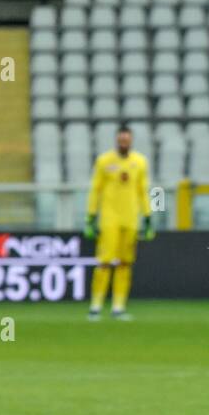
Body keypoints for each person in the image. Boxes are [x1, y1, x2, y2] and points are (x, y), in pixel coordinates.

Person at [85, 125, 154, 320]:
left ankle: (118, 307)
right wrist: (90, 216)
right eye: (121, 139)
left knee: (125, 263)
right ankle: (95, 306)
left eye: (127, 140)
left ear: (131, 141)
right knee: (105, 262)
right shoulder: (104, 161)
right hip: (109, 218)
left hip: (131, 218)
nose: (124, 142)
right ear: (117, 140)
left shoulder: (140, 162)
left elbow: (143, 190)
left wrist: (148, 216)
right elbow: (95, 189)